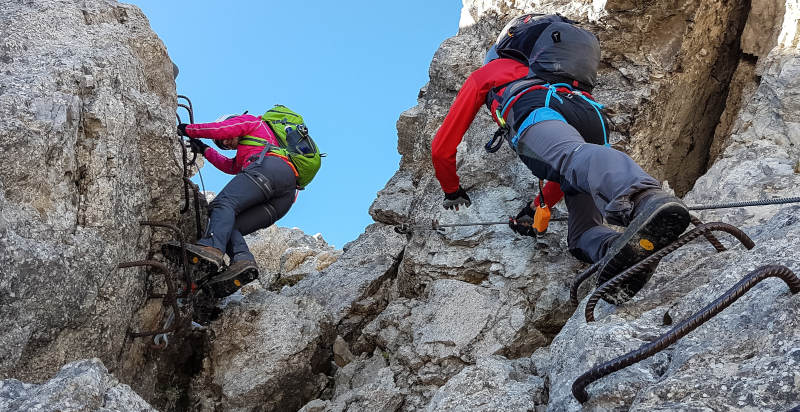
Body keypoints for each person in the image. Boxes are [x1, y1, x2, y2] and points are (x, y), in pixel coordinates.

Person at [431, 14, 690, 304]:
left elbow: (442, 147)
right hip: (592, 118)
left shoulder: (495, 70)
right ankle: (617, 251)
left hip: (540, 109)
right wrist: (535, 209)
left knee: (572, 156)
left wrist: (451, 190)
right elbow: (565, 173)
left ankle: (643, 197)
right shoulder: (560, 78)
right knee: (583, 232)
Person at [169, 113, 299, 298]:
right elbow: (230, 166)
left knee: (221, 205)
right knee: (228, 225)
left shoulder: (253, 122)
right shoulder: (254, 148)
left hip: (269, 170)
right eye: (223, 145)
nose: (226, 144)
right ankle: (242, 260)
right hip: (283, 199)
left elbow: (221, 129)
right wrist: (205, 149)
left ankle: (212, 248)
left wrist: (187, 130)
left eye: (223, 141)